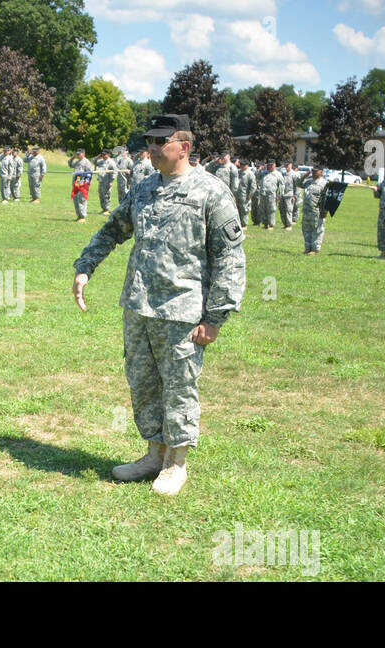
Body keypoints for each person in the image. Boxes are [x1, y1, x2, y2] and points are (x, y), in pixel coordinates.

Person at [71, 114, 246, 496]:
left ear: (184, 146)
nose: (151, 148)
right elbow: (113, 229)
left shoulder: (210, 192)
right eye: (149, 141)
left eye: (160, 142)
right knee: (144, 384)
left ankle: (176, 464)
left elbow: (230, 258)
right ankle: (154, 454)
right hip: (138, 306)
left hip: (183, 311)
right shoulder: (145, 188)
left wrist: (215, 317)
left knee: (179, 386)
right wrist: (85, 267)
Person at [300, 168, 327, 255]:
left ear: (321, 172)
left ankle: (315, 249)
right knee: (306, 230)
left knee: (317, 230)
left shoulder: (324, 183)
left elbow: (327, 199)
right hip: (306, 211)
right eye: (313, 171)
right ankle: (308, 248)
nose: (314, 172)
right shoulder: (308, 182)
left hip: (317, 211)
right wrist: (304, 176)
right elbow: (298, 184)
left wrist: (324, 211)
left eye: (316, 171)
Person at [68, 149, 95, 223]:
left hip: (83, 183)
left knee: (82, 200)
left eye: (79, 154)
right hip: (76, 183)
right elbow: (70, 164)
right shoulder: (77, 161)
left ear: (83, 154)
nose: (78, 155)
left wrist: (86, 184)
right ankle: (79, 215)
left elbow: (90, 173)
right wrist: (73, 157)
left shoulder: (86, 162)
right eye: (77, 154)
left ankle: (82, 216)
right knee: (76, 199)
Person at [94, 149, 115, 214]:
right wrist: (98, 157)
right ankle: (103, 209)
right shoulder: (101, 161)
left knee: (107, 195)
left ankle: (107, 209)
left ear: (108, 155)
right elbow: (94, 162)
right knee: (101, 195)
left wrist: (111, 181)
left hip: (107, 181)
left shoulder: (111, 162)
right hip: (101, 181)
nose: (103, 155)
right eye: (102, 154)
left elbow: (114, 172)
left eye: (104, 154)